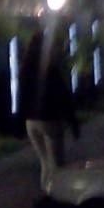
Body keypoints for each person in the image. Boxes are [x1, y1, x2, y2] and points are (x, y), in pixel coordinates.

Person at [19, 31, 81, 194]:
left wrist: (20, 121)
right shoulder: (49, 68)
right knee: (57, 164)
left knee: (45, 162)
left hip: (31, 121)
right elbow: (62, 95)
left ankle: (46, 193)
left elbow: (22, 96)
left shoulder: (25, 68)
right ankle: (56, 196)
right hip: (49, 118)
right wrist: (73, 122)